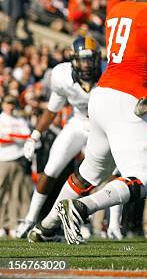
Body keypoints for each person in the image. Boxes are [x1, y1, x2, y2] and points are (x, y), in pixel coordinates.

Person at [35, 0, 147, 245]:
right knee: (144, 178)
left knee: (88, 174)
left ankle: (45, 226)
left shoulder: (118, 9)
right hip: (125, 100)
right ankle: (81, 209)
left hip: (102, 95)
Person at [21, 34, 120, 240]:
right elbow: (51, 109)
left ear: (98, 59)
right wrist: (34, 135)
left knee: (112, 172)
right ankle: (30, 220)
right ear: (73, 60)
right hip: (76, 123)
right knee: (50, 169)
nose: (86, 65)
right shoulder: (62, 75)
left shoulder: (110, 71)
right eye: (82, 59)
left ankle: (113, 225)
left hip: (102, 125)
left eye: (90, 59)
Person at [0, 95, 30, 237]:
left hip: (18, 159)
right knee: (1, 193)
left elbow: (28, 137)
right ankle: (1, 224)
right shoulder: (1, 119)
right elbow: (2, 139)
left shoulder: (20, 120)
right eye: (8, 103)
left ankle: (12, 225)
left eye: (12, 103)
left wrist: (12, 136)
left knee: (16, 194)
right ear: (3, 104)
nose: (10, 106)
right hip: (3, 160)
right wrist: (16, 137)